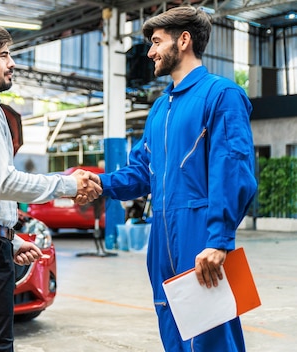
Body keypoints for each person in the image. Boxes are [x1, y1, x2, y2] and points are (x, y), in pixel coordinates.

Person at [96, 6, 257, 351]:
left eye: (156, 42)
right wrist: (99, 183)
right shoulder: (160, 107)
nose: (151, 52)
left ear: (183, 40)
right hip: (162, 236)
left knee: (212, 336)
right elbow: (142, 171)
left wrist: (218, 239)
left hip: (200, 234)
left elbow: (234, 170)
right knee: (172, 328)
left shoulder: (221, 95)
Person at [0, 23, 102, 352]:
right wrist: (67, 184)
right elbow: (3, 182)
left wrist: (8, 240)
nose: (12, 62)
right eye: (3, 55)